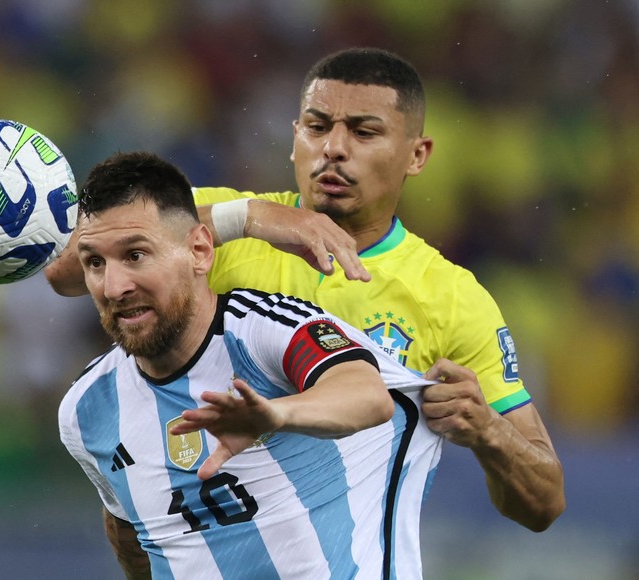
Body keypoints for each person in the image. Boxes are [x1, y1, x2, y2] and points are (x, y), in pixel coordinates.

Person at [47, 47, 565, 535]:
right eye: (317, 127)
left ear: (417, 154)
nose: (333, 148)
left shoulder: (451, 298)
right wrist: (247, 218)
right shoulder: (221, 224)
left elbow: (544, 504)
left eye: (364, 132)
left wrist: (488, 432)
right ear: (295, 137)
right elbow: (65, 269)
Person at [58, 151, 443, 579]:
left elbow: (366, 394)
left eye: (135, 256)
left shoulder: (263, 329)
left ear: (200, 251)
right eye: (95, 262)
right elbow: (132, 536)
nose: (114, 287)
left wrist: (276, 414)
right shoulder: (84, 410)